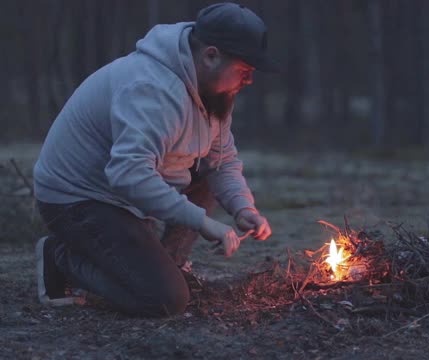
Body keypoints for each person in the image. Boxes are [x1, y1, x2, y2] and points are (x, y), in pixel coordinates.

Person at [33, 2, 276, 317]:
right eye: (244, 70)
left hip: (124, 194)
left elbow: (221, 161)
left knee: (204, 183)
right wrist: (202, 222)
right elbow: (129, 174)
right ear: (211, 55)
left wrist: (244, 208)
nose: (249, 80)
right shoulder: (153, 89)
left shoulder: (214, 92)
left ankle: (163, 265)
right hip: (78, 200)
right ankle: (61, 257)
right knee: (164, 301)